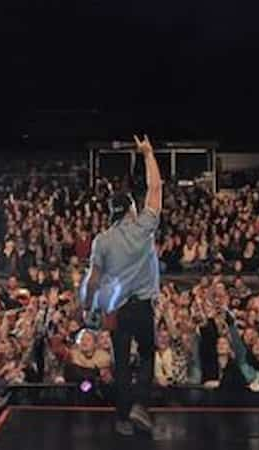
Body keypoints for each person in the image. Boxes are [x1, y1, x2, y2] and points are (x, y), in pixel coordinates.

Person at [81, 134, 162, 436]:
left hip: (115, 310)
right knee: (148, 352)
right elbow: (155, 188)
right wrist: (148, 154)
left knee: (122, 363)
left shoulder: (102, 240)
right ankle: (140, 403)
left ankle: (122, 418)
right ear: (130, 209)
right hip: (142, 306)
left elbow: (93, 280)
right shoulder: (143, 227)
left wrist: (87, 306)